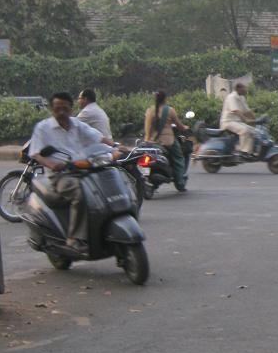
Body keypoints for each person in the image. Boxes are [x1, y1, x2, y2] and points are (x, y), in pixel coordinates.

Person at [28, 92, 121, 253]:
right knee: (80, 193)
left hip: (83, 168)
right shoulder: (43, 128)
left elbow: (98, 137)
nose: (61, 112)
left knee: (104, 186)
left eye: (65, 108)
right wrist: (51, 164)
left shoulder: (77, 125)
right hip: (61, 175)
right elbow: (35, 153)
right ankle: (75, 238)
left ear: (71, 109)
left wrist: (116, 147)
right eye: (58, 109)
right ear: (52, 109)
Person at [144, 90, 190, 192]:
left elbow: (147, 129)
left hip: (153, 142)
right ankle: (180, 183)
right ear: (165, 99)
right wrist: (185, 128)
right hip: (168, 141)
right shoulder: (170, 110)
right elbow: (179, 126)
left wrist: (148, 140)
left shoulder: (150, 111)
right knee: (179, 158)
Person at [221, 82, 259, 156]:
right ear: (238, 89)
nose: (246, 90)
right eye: (244, 88)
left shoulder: (241, 97)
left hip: (237, 122)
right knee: (244, 130)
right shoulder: (231, 97)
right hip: (228, 122)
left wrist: (256, 120)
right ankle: (243, 152)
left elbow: (247, 111)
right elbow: (236, 111)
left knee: (253, 131)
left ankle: (249, 152)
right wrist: (245, 119)